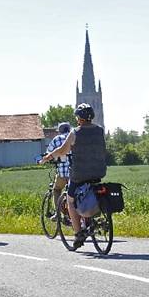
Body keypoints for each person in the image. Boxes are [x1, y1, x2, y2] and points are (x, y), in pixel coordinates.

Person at [40, 103, 106, 249]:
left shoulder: (75, 132)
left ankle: (78, 234)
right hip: (99, 171)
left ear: (79, 118)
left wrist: (47, 157)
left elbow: (62, 151)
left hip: (80, 174)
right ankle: (94, 220)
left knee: (70, 200)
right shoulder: (100, 130)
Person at [39, 122, 73, 220]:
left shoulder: (57, 139)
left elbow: (49, 153)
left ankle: (58, 214)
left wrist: (44, 160)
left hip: (63, 172)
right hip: (76, 171)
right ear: (69, 129)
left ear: (59, 131)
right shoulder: (75, 137)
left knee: (57, 189)